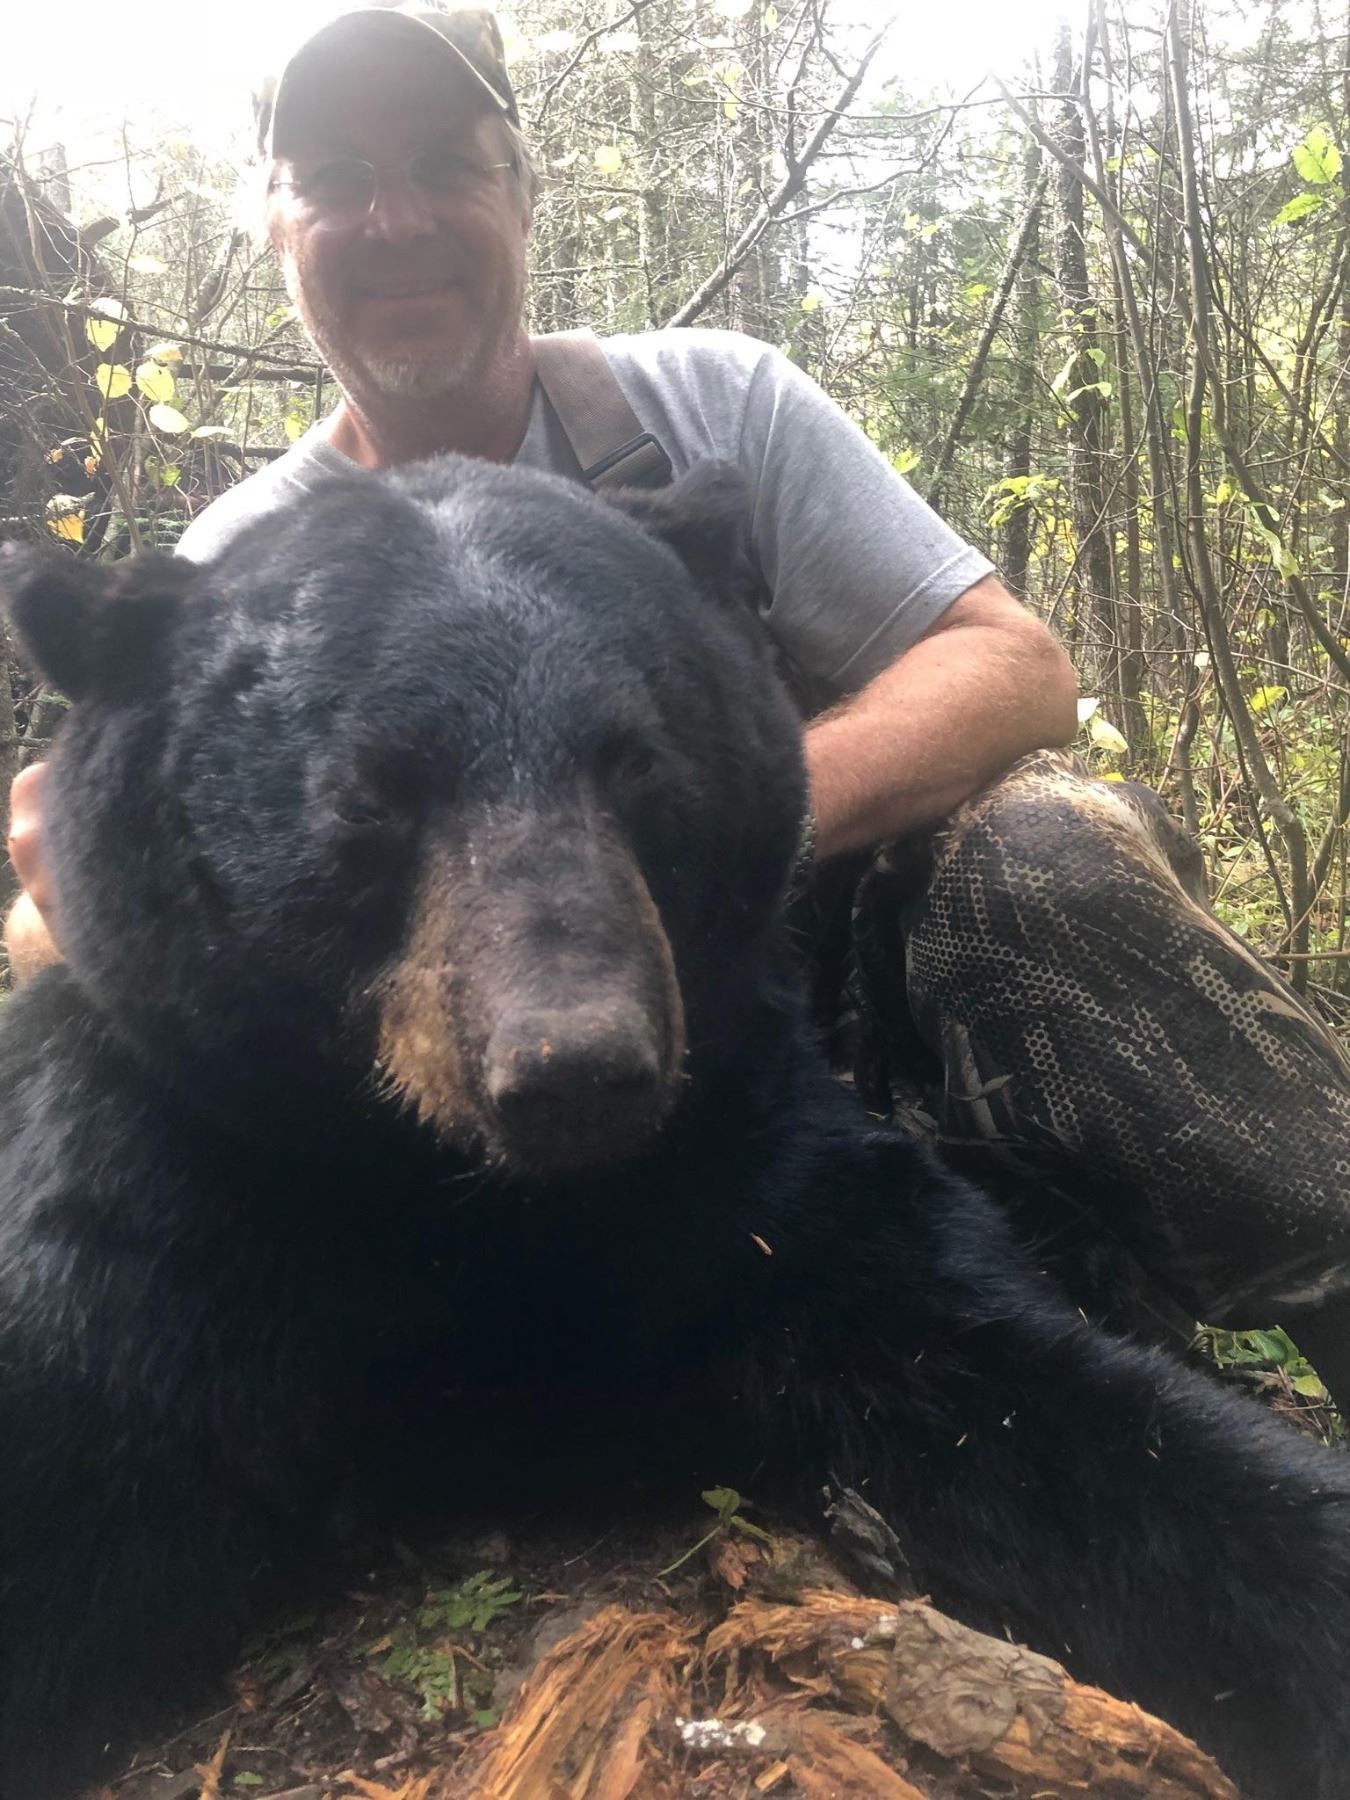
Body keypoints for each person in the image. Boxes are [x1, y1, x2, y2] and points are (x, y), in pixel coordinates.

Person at [7, 4, 1349, 1398]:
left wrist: (719, 822)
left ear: (523, 194)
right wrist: (64, 899)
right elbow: (111, 896)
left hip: (844, 989)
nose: (395, 218)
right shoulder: (239, 568)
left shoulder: (709, 406)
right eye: (337, 178)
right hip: (526, 1106)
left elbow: (1014, 667)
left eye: (446, 164)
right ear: (273, 225)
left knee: (1044, 857)